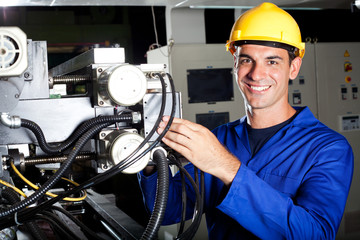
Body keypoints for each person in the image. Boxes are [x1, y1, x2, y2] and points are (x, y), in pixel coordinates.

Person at [138, 2, 354, 239]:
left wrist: (225, 166)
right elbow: (168, 210)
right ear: (235, 64)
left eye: (272, 61)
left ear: (294, 67)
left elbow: (316, 234)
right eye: (246, 60)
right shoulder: (219, 138)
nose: (256, 74)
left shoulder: (328, 148)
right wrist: (149, 156)